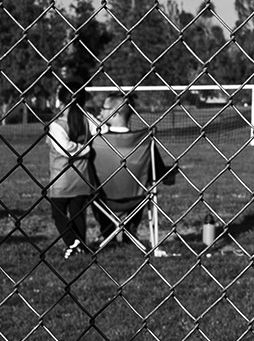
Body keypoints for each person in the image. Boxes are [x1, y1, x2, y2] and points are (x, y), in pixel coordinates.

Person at [90, 93, 176, 252]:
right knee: (144, 182)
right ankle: (130, 231)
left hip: (102, 198)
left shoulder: (96, 140)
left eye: (103, 108)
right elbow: (158, 173)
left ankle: (107, 232)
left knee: (92, 185)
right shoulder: (143, 140)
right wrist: (171, 172)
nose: (99, 112)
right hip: (136, 199)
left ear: (115, 112)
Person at [46, 87, 98, 258]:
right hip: (83, 176)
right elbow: (102, 131)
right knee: (78, 215)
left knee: (58, 213)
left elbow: (65, 148)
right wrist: (88, 147)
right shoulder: (88, 119)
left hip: (62, 177)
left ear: (61, 101)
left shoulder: (57, 124)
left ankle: (72, 240)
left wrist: (83, 149)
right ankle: (80, 245)